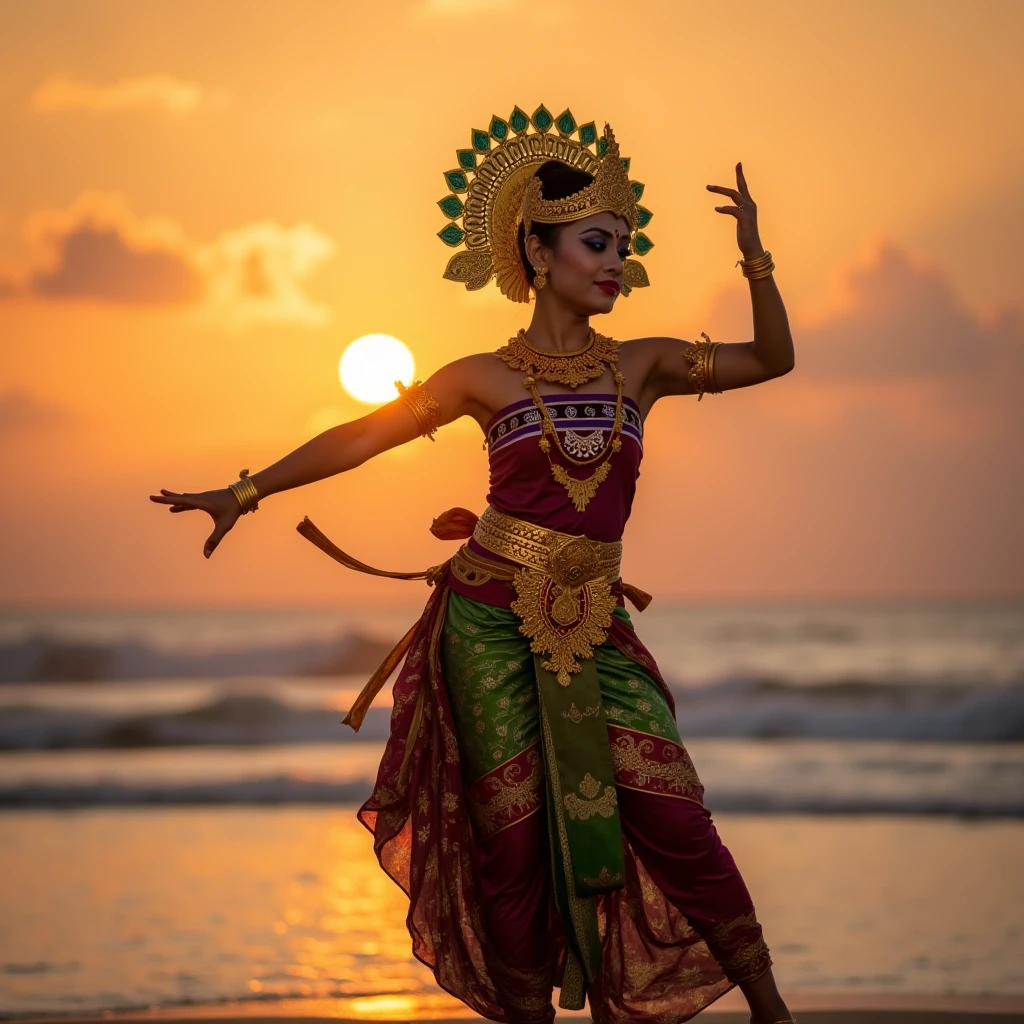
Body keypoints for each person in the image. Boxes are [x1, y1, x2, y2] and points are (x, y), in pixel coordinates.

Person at [151, 105, 796, 1024]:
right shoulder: (478, 377)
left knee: (673, 813)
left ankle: (775, 1011)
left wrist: (756, 256)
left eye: (623, 246)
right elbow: (361, 437)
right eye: (597, 243)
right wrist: (243, 492)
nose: (617, 263)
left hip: (594, 619)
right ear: (539, 253)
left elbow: (774, 357)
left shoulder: (644, 366)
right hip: (489, 617)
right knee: (513, 838)